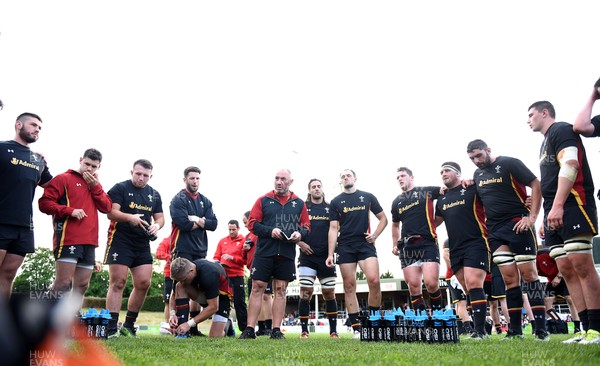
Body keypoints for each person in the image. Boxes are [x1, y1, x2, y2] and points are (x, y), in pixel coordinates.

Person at [528, 100, 600, 344]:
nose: (528, 120)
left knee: (582, 266)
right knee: (567, 270)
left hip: (573, 205)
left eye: (531, 114)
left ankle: (597, 329)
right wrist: (546, 214)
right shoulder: (544, 143)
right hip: (553, 212)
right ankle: (583, 328)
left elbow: (570, 164)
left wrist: (558, 205)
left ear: (545, 112)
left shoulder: (561, 130)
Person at [466, 139, 549, 341]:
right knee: (510, 281)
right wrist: (467, 182)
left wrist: (532, 217)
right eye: (472, 158)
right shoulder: (478, 174)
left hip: (517, 224)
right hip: (495, 230)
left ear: (488, 150)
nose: (476, 161)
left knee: (529, 276)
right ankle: (515, 332)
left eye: (479, 155)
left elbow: (535, 183)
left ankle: (541, 330)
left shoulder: (510, 163)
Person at [239, 169, 310, 340]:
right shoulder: (263, 200)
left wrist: (300, 235)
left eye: (283, 179)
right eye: (276, 178)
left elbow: (306, 226)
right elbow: (252, 224)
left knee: (281, 290)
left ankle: (276, 330)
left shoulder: (299, 203)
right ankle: (249, 329)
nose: (279, 182)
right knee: (257, 288)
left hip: (286, 253)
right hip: (264, 252)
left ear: (290, 182)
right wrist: (270, 231)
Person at [38, 148, 112, 307]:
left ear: (99, 167)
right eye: (87, 164)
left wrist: (96, 187)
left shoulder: (95, 185)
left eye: (94, 166)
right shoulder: (63, 178)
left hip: (90, 241)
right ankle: (44, 323)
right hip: (68, 239)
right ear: (80, 160)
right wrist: (69, 211)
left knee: (82, 286)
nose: (89, 169)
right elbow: (44, 204)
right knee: (63, 283)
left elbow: (107, 208)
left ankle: (69, 322)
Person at [104, 159, 164, 338]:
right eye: (138, 174)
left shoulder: (154, 194)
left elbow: (160, 218)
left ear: (150, 176)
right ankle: (111, 327)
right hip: (120, 240)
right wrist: (130, 218)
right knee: (118, 282)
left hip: (142, 243)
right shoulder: (120, 188)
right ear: (132, 172)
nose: (141, 178)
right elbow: (110, 213)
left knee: (144, 283)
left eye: (146, 175)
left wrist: (156, 227)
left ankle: (129, 325)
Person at [325, 169, 388, 338]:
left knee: (374, 280)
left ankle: (373, 322)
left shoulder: (367, 197)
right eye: (343, 176)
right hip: (345, 246)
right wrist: (330, 254)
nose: (346, 177)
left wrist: (374, 235)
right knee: (349, 285)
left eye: (348, 175)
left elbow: (384, 219)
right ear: (341, 181)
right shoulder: (335, 201)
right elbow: (332, 229)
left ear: (355, 178)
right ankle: (356, 327)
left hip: (365, 244)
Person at [435, 162, 490, 339]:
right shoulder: (442, 198)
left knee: (474, 283)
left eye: (447, 171)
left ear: (458, 173)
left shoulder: (472, 188)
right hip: (455, 247)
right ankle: (479, 326)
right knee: (468, 289)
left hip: (476, 242)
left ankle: (481, 331)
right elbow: (434, 222)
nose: (443, 174)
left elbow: (493, 196)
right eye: (441, 172)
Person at [0, 112, 52, 298]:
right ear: (18, 125)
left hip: (24, 226)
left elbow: (52, 186)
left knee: (8, 275)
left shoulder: (37, 159)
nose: (37, 129)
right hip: (2, 221)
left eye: (39, 127)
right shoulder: (2, 148)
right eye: (33, 125)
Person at [169, 166, 218, 337]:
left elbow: (214, 224)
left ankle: (193, 327)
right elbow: (183, 224)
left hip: (200, 249)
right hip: (182, 248)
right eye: (192, 178)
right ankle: (179, 326)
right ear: (185, 180)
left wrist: (196, 219)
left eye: (197, 178)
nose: (195, 182)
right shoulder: (178, 200)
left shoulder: (205, 201)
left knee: (197, 288)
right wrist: (202, 222)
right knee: (181, 285)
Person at [391, 167, 444, 313]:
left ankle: (438, 317)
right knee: (413, 286)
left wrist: (436, 220)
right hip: (407, 247)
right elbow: (395, 225)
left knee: (431, 283)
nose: (400, 179)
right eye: (397, 177)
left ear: (411, 177)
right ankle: (421, 322)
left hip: (427, 242)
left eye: (402, 176)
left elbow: (446, 191)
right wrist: (395, 244)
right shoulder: (397, 202)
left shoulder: (426, 191)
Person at [297, 178, 339, 339]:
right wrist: (301, 244)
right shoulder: (303, 208)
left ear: (322, 189)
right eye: (313, 187)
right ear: (309, 190)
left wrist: (332, 252)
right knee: (305, 292)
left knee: (329, 293)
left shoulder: (331, 208)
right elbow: (294, 230)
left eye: (318, 186)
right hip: (307, 257)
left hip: (326, 257)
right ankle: (304, 331)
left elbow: (336, 231)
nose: (316, 189)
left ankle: (333, 331)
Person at [168, 257, 234, 338]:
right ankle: (183, 332)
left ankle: (228, 324)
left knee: (214, 336)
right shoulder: (181, 273)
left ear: (191, 271)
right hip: (204, 294)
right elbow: (174, 293)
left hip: (222, 299)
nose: (182, 282)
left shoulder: (209, 274)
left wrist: (189, 324)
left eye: (183, 279)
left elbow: (213, 307)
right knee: (180, 286)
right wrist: (172, 314)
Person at [242, 211, 273, 336]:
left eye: (246, 222)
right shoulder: (248, 236)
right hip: (252, 270)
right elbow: (244, 257)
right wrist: (244, 249)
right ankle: (260, 327)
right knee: (255, 296)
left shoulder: (262, 233)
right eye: (244, 223)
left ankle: (269, 326)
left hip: (265, 268)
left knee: (266, 296)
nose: (245, 225)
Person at [536, 245, 580, 333]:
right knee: (547, 302)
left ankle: (577, 327)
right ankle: (558, 323)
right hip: (552, 281)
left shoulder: (545, 253)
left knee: (570, 299)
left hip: (564, 277)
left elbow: (565, 263)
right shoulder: (531, 262)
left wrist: (558, 277)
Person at [214, 219, 247, 332]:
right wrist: (217, 263)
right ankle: (226, 329)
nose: (231, 232)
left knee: (239, 302)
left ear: (238, 228)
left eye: (233, 229)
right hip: (224, 276)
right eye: (230, 229)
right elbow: (216, 256)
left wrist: (232, 258)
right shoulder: (222, 241)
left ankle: (244, 329)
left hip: (237, 275)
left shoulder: (243, 240)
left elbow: (245, 260)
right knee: (223, 302)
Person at [442, 240, 472, 336]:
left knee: (459, 303)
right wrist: (455, 270)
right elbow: (445, 256)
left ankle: (461, 328)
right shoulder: (449, 241)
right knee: (461, 302)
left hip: (460, 274)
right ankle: (469, 329)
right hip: (453, 275)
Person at [155, 237, 173, 324]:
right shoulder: (168, 240)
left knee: (184, 299)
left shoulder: (188, 238)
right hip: (170, 274)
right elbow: (158, 253)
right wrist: (170, 257)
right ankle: (168, 325)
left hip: (185, 274)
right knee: (168, 301)